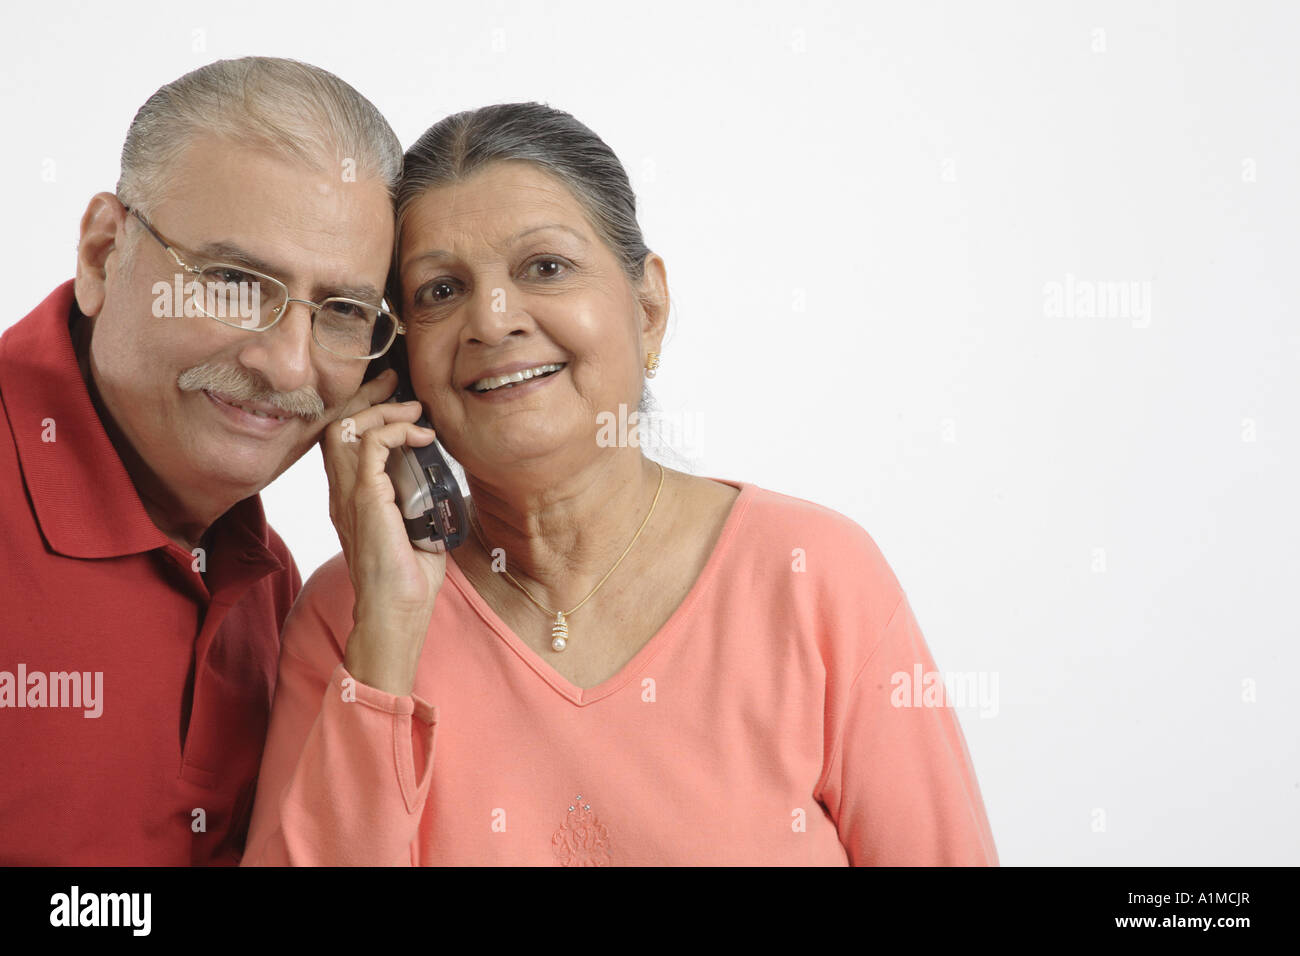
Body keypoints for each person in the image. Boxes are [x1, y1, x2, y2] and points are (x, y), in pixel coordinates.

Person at [243, 102, 999, 865]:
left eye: (545, 267)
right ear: (397, 365)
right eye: (440, 290)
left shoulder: (814, 576)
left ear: (649, 308)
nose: (493, 321)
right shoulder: (353, 614)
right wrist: (388, 639)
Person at [0, 57, 407, 865]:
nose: (289, 368)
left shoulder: (274, 583)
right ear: (101, 253)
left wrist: (388, 620)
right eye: (231, 281)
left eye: (343, 312)